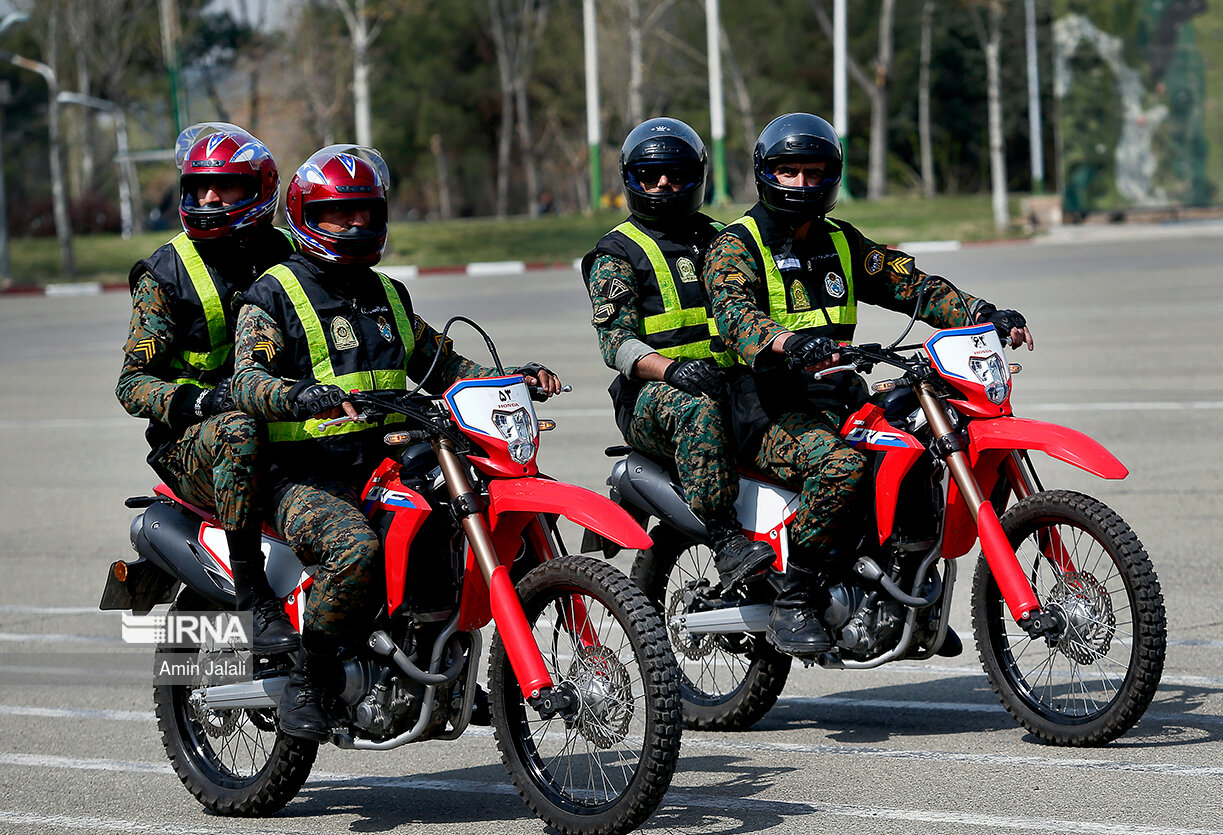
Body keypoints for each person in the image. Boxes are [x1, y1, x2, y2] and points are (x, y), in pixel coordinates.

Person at [233, 145, 561, 741]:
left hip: (381, 461)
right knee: (354, 549)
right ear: (305, 214)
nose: (356, 225)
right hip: (304, 471)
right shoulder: (274, 294)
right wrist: (302, 396)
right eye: (339, 214)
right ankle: (308, 678)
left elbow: (442, 364)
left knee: (457, 509)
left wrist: (513, 377)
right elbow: (248, 381)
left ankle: (438, 660)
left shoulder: (389, 295)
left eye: (366, 211)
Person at [703, 113, 1032, 654]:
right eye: (790, 172)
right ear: (766, 174)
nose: (803, 184)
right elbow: (737, 317)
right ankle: (795, 597)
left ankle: (902, 592)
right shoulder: (736, 245)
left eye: (815, 173)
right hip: (766, 409)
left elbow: (910, 285)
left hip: (836, 398)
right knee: (842, 467)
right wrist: (788, 343)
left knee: (923, 445)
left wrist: (983, 312)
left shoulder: (841, 241)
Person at [117, 122, 298, 655]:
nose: (209, 197)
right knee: (237, 428)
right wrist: (199, 401)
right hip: (195, 443)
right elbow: (132, 384)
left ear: (261, 189)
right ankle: (253, 598)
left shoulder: (291, 255)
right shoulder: (167, 274)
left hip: (287, 426)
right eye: (198, 186)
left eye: (225, 186)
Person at [582, 117, 774, 590]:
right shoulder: (617, 253)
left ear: (699, 177)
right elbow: (617, 345)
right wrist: (675, 370)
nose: (664, 183)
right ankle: (727, 541)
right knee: (698, 409)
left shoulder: (725, 240)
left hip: (730, 385)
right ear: (631, 181)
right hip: (656, 396)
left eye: (678, 173)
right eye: (651, 175)